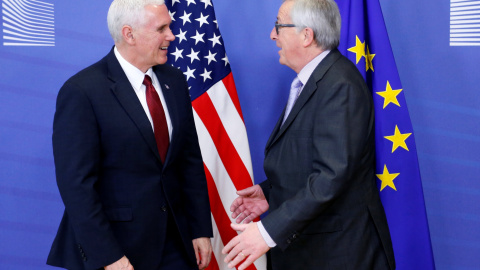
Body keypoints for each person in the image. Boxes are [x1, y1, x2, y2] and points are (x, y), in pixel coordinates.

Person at [222, 0, 396, 269]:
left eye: (279, 26)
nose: (272, 34)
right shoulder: (317, 81)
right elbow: (310, 161)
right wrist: (271, 193)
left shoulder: (340, 85)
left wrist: (267, 232)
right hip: (314, 250)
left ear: (306, 35)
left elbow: (331, 176)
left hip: (339, 255)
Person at [47, 1, 213, 269]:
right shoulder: (83, 91)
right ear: (129, 34)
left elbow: (188, 160)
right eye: (162, 28)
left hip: (176, 244)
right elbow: (76, 186)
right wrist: (109, 256)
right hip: (118, 249)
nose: (171, 35)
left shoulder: (175, 80)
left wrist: (200, 229)